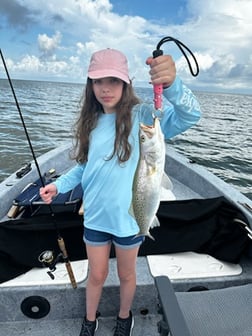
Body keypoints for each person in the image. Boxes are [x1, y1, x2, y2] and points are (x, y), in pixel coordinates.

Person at [40, 48, 201, 336]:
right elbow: (83, 168)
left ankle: (124, 317)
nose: (105, 88)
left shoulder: (143, 116)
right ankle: (90, 320)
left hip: (130, 220)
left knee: (127, 275)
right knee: (96, 275)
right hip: (96, 219)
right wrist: (58, 185)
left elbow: (189, 115)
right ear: (90, 85)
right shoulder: (90, 123)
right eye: (98, 81)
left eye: (113, 80)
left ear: (126, 83)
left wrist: (171, 84)